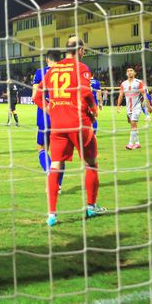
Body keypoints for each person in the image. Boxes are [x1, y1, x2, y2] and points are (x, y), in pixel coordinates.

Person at [33, 37, 107, 227]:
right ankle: (91, 206)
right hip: (79, 123)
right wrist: (93, 109)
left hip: (58, 126)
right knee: (91, 163)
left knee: (55, 165)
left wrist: (48, 108)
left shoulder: (52, 70)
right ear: (81, 50)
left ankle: (52, 215)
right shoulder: (81, 67)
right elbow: (85, 92)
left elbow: (36, 96)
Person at [32, 50, 64, 189]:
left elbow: (35, 96)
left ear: (47, 60)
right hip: (63, 117)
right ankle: (59, 185)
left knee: (42, 148)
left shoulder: (41, 72)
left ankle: (50, 174)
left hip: (46, 116)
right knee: (60, 154)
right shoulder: (65, 72)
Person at [116, 68, 150, 150]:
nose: (129, 72)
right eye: (127, 71)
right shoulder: (123, 84)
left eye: (131, 71)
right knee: (133, 126)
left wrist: (148, 106)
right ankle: (137, 143)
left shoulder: (139, 82)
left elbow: (144, 95)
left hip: (137, 107)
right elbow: (121, 95)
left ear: (134, 73)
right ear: (126, 73)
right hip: (128, 108)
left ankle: (130, 144)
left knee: (133, 123)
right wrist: (118, 106)